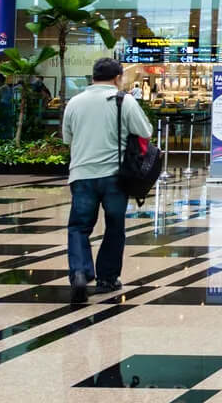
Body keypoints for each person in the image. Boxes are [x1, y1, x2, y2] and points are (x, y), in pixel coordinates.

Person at [61, 56, 153, 305]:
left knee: (79, 227)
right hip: (115, 176)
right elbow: (145, 132)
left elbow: (67, 139)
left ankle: (80, 273)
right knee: (114, 227)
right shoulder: (124, 100)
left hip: (81, 175)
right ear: (117, 78)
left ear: (92, 77)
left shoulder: (75, 102)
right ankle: (108, 278)